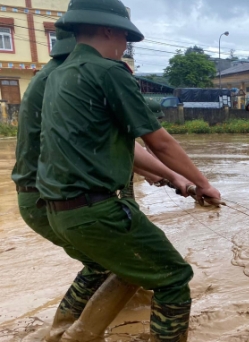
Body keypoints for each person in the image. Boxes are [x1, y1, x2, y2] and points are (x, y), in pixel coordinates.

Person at [36, 1, 221, 341]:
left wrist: (173, 178)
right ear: (108, 29)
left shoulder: (58, 76)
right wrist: (204, 184)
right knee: (174, 276)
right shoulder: (108, 72)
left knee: (128, 269)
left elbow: (110, 147)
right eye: (124, 35)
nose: (125, 44)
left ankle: (68, 333)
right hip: (98, 210)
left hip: (60, 211)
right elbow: (160, 143)